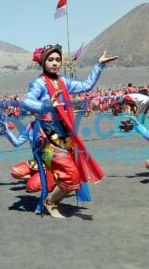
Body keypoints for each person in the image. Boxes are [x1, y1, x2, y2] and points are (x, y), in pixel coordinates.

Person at [21, 44, 117, 217]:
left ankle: (51, 200)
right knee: (71, 174)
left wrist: (99, 65)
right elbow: (27, 102)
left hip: (64, 132)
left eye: (58, 59)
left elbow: (87, 85)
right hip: (46, 134)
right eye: (50, 60)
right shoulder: (38, 83)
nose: (55, 63)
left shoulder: (63, 81)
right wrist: (46, 104)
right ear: (42, 62)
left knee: (75, 172)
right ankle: (50, 201)